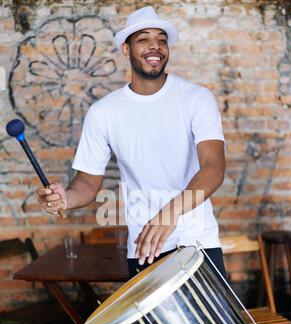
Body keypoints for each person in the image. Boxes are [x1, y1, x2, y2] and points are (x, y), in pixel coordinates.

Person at [37, 6, 227, 280]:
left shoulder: (197, 98)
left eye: (162, 40)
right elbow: (87, 184)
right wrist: (66, 198)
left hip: (198, 242)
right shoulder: (104, 112)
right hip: (145, 248)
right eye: (144, 39)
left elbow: (214, 168)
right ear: (126, 50)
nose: (156, 47)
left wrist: (169, 213)